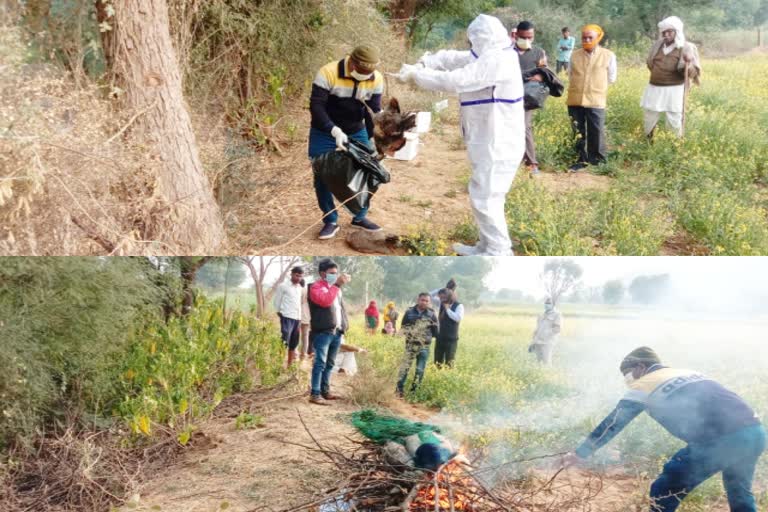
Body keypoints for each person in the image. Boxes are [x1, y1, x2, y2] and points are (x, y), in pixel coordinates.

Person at [563, 347, 766, 512]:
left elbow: (613, 423)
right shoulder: (687, 372)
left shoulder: (644, 384)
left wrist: (581, 453)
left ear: (640, 367)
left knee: (664, 489)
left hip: (721, 440)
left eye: (629, 374)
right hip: (754, 432)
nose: (630, 380)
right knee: (740, 493)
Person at [396, 14, 525, 256]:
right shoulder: (491, 54)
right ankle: (485, 245)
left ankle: (498, 250)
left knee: (487, 197)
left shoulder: (499, 61)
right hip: (488, 139)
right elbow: (455, 59)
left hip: (499, 143)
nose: (470, 46)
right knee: (484, 194)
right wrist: (427, 62)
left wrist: (417, 76)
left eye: (473, 41)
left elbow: (458, 80)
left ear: (482, 39)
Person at [309, 45, 384, 240]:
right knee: (322, 174)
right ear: (351, 62)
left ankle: (359, 216)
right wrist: (333, 130)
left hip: (355, 129)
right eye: (361, 71)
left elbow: (374, 108)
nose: (364, 76)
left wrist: (382, 126)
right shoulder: (328, 72)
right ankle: (330, 220)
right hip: (324, 130)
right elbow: (316, 106)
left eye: (368, 73)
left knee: (368, 172)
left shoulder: (376, 78)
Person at [566, 24, 617, 172]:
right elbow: (570, 75)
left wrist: (595, 86)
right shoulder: (574, 55)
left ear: (598, 38)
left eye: (590, 37)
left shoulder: (608, 55)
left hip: (596, 98)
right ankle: (581, 159)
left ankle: (598, 161)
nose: (587, 40)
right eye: (584, 37)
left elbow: (611, 78)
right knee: (578, 130)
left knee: (596, 129)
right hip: (575, 98)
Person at [641, 16, 701, 139]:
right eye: (664, 32)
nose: (666, 34)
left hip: (675, 88)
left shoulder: (686, 47)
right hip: (655, 86)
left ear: (677, 32)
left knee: (674, 116)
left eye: (670, 32)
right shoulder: (657, 45)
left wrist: (687, 66)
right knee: (650, 113)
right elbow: (650, 64)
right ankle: (648, 140)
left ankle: (674, 143)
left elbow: (694, 71)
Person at [307, 259, 351, 405]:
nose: (335, 275)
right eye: (331, 273)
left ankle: (325, 392)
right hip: (323, 332)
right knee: (320, 363)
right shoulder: (315, 287)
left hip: (336, 332)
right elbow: (325, 301)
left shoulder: (336, 289)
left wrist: (344, 325)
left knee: (330, 364)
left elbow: (339, 309)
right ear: (322, 273)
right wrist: (337, 284)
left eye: (336, 273)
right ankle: (315, 393)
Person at [515, 21, 548, 177]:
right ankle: (513, 161)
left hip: (528, 97)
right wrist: (529, 75)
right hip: (506, 96)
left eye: (530, 37)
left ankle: (531, 163)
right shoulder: (507, 52)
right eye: (523, 37)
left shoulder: (538, 52)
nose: (527, 40)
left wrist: (538, 76)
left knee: (524, 126)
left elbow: (543, 73)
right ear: (516, 35)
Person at [395, 293, 439, 397]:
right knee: (404, 368)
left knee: (420, 369)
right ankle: (399, 390)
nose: (424, 302)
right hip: (410, 345)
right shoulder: (409, 312)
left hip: (424, 347)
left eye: (426, 301)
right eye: (422, 300)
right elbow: (404, 327)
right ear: (418, 300)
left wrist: (425, 339)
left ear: (429, 302)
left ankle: (414, 392)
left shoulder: (432, 314)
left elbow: (435, 331)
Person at [273, 266, 304, 367]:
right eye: (296, 275)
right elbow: (277, 301)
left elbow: (299, 303)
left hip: (297, 318)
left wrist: (300, 318)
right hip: (286, 316)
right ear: (291, 274)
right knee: (285, 338)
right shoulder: (283, 286)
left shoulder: (300, 288)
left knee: (294, 342)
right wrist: (279, 312)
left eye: (300, 276)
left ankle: (289, 365)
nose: (298, 278)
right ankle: (278, 362)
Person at [435, 288, 464, 367]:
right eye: (440, 298)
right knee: (437, 361)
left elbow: (457, 318)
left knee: (449, 362)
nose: (442, 300)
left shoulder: (459, 306)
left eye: (444, 297)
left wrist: (447, 309)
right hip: (440, 337)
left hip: (451, 339)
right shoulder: (442, 304)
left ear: (449, 296)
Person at [528, 297, 561, 365]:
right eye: (545, 303)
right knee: (538, 363)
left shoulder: (557, 314)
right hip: (538, 342)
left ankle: (548, 375)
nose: (546, 305)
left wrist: (546, 333)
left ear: (553, 304)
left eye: (549, 303)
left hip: (547, 343)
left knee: (547, 363)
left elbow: (557, 329)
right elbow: (537, 329)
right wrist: (532, 342)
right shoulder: (541, 314)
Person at [299, 278, 311, 360]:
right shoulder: (308, 290)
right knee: (305, 336)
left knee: (296, 335)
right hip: (307, 315)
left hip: (298, 315)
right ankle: (303, 354)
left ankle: (295, 353)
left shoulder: (298, 290)